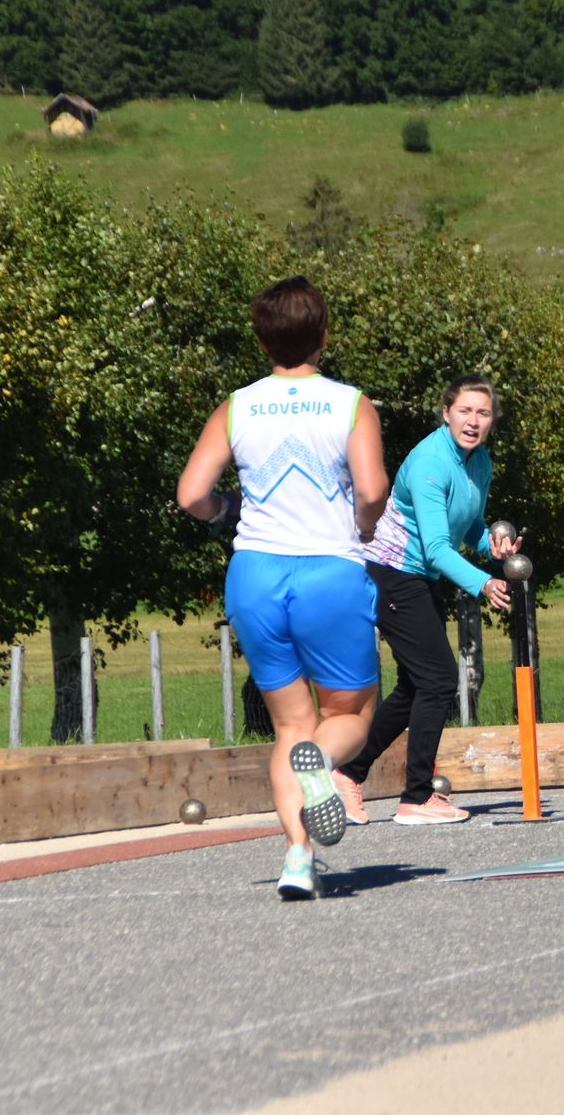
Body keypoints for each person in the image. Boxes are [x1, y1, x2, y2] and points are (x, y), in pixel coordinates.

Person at [177, 277, 388, 898]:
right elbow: (372, 490)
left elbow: (191, 495)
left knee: (291, 727)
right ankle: (324, 765)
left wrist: (224, 509)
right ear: (323, 334)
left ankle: (298, 858)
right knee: (349, 713)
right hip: (328, 571)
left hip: (256, 574)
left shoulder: (237, 406)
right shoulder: (350, 404)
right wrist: (365, 526)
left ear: (262, 339)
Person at [332, 374, 520, 826]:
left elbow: (466, 527)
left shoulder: (479, 462)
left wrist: (492, 543)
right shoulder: (430, 463)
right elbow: (436, 548)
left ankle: (347, 773)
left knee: (417, 684)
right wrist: (484, 583)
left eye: (483, 413)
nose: (473, 421)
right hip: (391, 573)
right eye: (465, 411)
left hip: (419, 576)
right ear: (446, 413)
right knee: (438, 680)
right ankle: (416, 797)